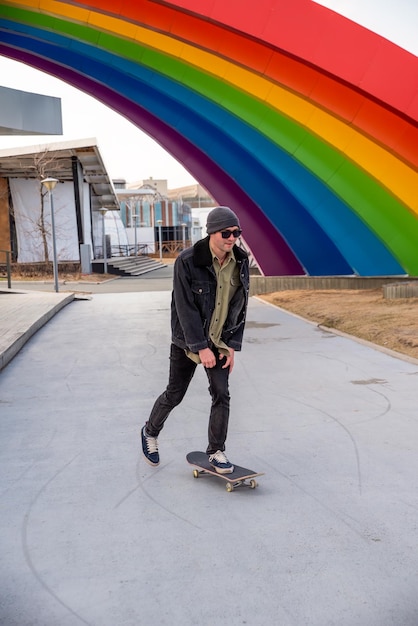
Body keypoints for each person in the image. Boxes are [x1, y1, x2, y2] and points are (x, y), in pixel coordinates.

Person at [141, 206, 250, 474]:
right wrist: (200, 347)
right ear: (212, 232)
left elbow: (240, 305)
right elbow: (184, 307)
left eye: (236, 232)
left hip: (220, 341)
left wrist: (231, 346)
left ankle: (216, 451)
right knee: (175, 393)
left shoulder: (241, 260)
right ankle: (149, 432)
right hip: (187, 341)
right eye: (227, 232)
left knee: (221, 393)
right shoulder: (188, 261)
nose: (232, 238)